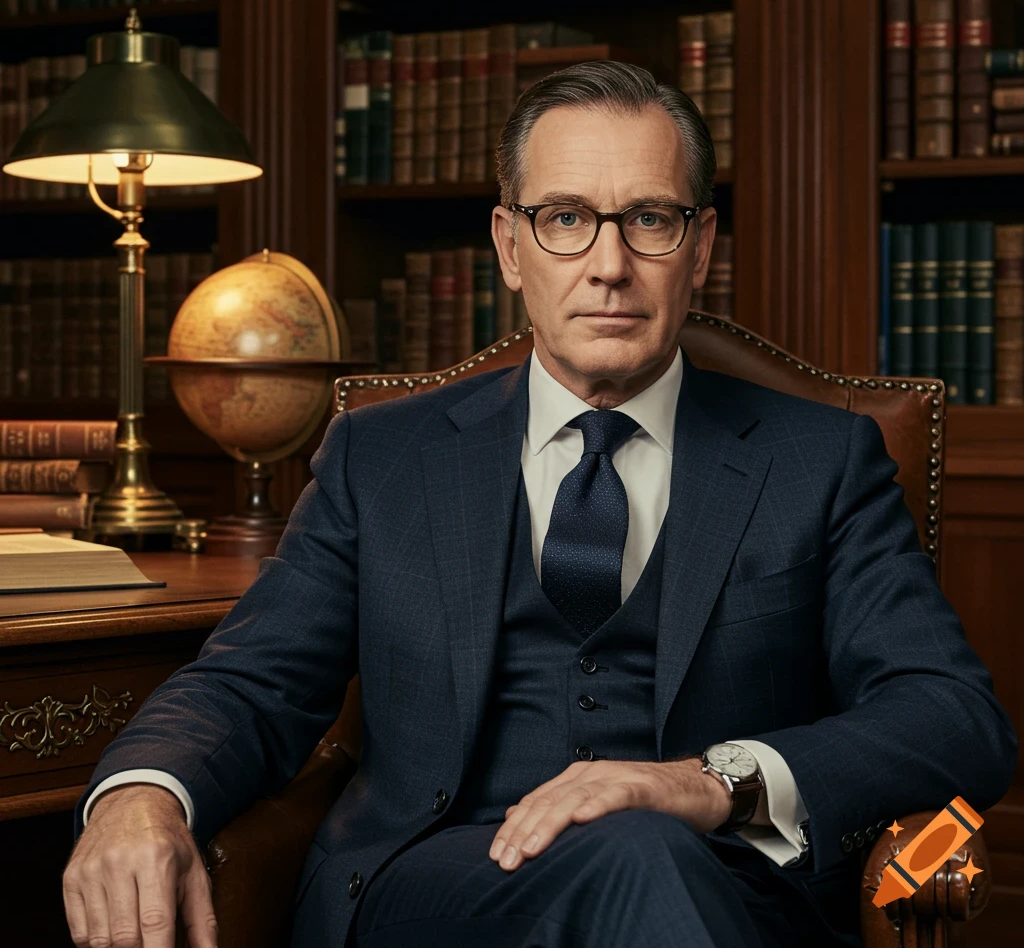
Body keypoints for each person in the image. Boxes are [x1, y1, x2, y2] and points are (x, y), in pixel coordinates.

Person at [64, 62, 1016, 948]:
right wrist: (139, 796)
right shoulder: (384, 455)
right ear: (510, 246)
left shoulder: (821, 461)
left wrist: (705, 782)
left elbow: (954, 717)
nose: (609, 264)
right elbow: (252, 682)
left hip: (717, 891)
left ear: (702, 247)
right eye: (565, 218)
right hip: (432, 887)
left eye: (649, 219)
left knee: (643, 848)